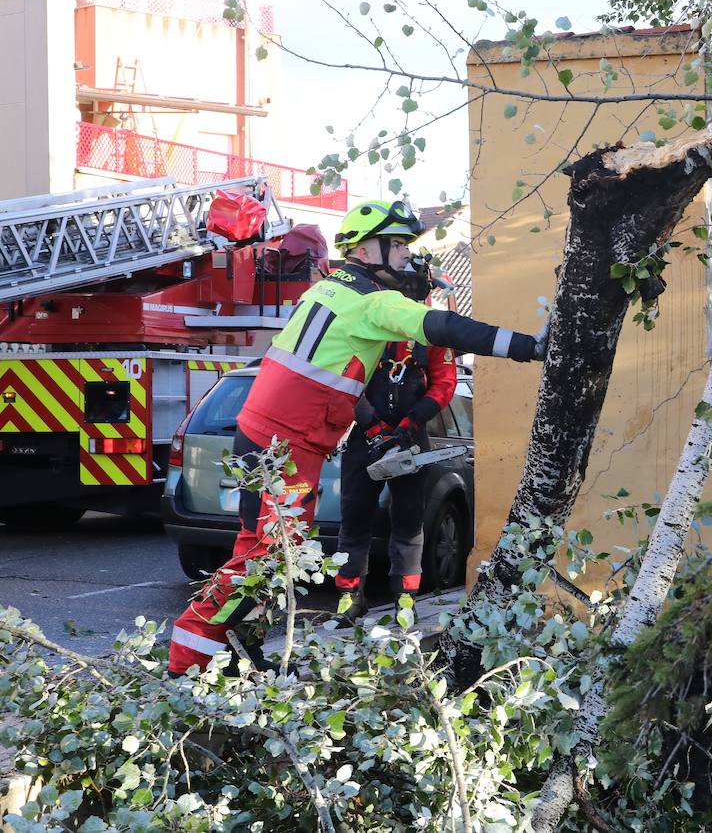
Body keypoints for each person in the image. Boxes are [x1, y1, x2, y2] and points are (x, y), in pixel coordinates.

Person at [168, 199, 544, 676]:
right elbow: (443, 326)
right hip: (284, 449)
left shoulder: (328, 290)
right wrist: (530, 347)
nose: (408, 255)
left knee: (266, 556)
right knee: (263, 561)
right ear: (367, 251)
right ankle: (187, 659)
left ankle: (244, 657)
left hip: (268, 440)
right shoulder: (372, 303)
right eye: (399, 245)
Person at [334, 254, 458, 623]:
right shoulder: (363, 316)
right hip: (364, 435)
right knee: (354, 518)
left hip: (411, 437)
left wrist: (408, 424)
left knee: (409, 519)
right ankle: (348, 597)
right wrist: (372, 426)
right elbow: (344, 376)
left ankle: (405, 598)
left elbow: (445, 383)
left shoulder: (432, 329)